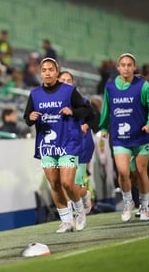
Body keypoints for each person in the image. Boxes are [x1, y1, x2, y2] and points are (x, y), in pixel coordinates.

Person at [23, 58, 90, 233]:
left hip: (68, 142)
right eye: (44, 70)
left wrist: (73, 112)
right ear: (40, 72)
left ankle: (80, 212)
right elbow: (27, 117)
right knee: (55, 184)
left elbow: (86, 110)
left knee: (67, 183)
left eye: (50, 69)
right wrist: (30, 118)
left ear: (57, 71)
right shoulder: (35, 94)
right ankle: (66, 221)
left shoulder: (69, 91)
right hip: (47, 145)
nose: (47, 73)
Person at [99, 53, 149, 222]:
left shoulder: (143, 86)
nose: (126, 68)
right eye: (123, 65)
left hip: (141, 137)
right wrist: (104, 126)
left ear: (134, 67)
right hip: (120, 138)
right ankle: (128, 202)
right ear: (118, 68)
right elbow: (106, 108)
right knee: (123, 171)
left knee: (141, 173)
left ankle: (145, 207)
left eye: (129, 65)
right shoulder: (110, 87)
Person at [58, 71, 94, 215]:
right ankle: (81, 200)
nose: (66, 83)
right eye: (63, 80)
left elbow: (92, 117)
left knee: (73, 183)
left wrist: (85, 126)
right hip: (62, 146)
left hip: (80, 145)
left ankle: (78, 210)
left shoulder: (82, 101)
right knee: (64, 183)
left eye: (69, 80)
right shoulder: (53, 101)